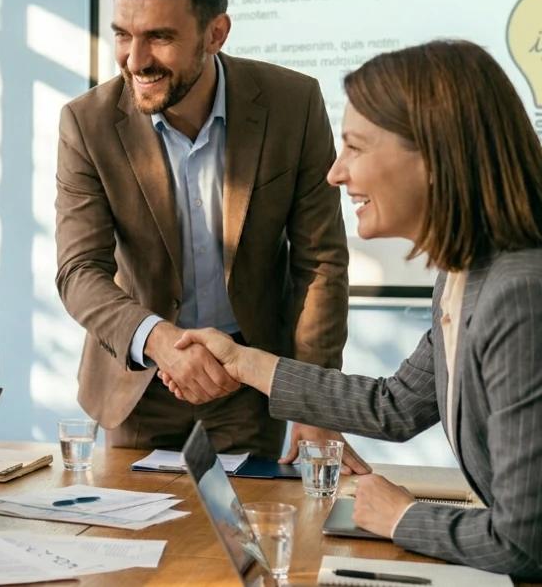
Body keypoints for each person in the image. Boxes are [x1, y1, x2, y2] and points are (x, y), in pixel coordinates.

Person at [174, 40, 542, 578]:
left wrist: (403, 517)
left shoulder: (519, 294)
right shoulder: (466, 275)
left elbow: (525, 543)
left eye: (355, 148)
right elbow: (393, 407)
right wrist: (242, 362)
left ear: (435, 155)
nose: (335, 173)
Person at [54, 0, 362, 467]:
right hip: (139, 387)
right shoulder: (87, 123)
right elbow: (79, 270)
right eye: (123, 36)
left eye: (160, 37)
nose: (136, 59)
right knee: (136, 545)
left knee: (249, 543)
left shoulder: (294, 104)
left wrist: (315, 406)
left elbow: (321, 263)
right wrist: (160, 341)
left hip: (248, 384)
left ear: (215, 33)